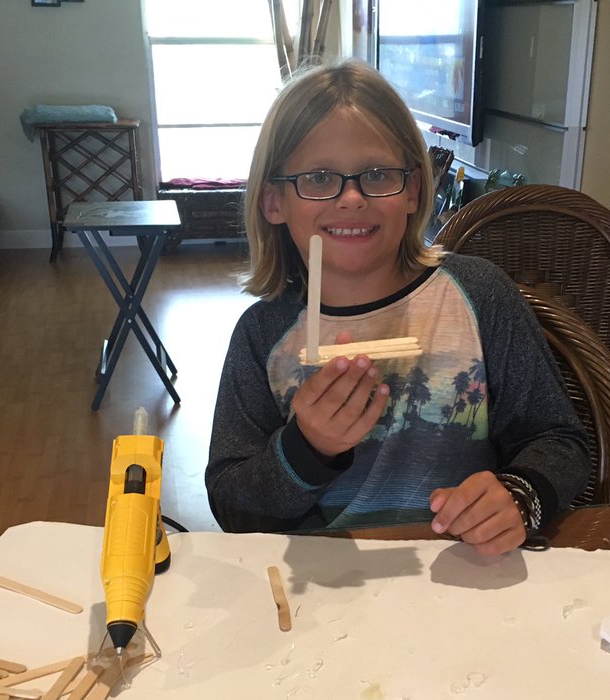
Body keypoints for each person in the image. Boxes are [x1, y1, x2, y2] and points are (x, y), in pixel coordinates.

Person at [206, 59, 590, 555]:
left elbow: (560, 439)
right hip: (320, 592)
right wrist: (308, 449)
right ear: (273, 202)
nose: (350, 198)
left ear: (411, 189)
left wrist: (522, 494)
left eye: (377, 174)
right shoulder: (263, 336)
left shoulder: (479, 295)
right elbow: (233, 509)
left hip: (467, 574)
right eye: (320, 177)